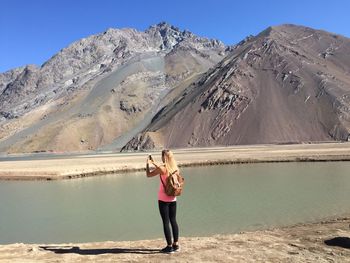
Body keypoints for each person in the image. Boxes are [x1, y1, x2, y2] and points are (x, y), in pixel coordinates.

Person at [146, 149, 180, 253]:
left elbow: (148, 174)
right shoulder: (175, 168)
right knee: (173, 220)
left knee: (166, 222)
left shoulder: (163, 169)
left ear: (163, 157)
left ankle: (169, 247)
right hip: (173, 198)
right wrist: (154, 162)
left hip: (163, 199)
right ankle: (176, 245)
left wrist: (148, 164)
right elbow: (162, 167)